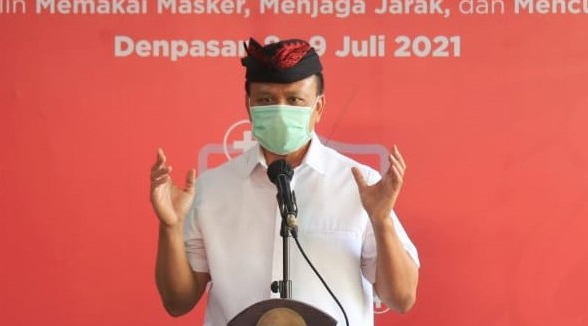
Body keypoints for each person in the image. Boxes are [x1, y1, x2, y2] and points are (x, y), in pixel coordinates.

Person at [150, 37, 419, 325]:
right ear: (249, 106)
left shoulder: (359, 185)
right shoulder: (213, 188)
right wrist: (171, 226)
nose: (280, 110)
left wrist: (381, 221)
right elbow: (177, 302)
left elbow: (401, 298)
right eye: (266, 100)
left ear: (318, 107)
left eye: (294, 100)